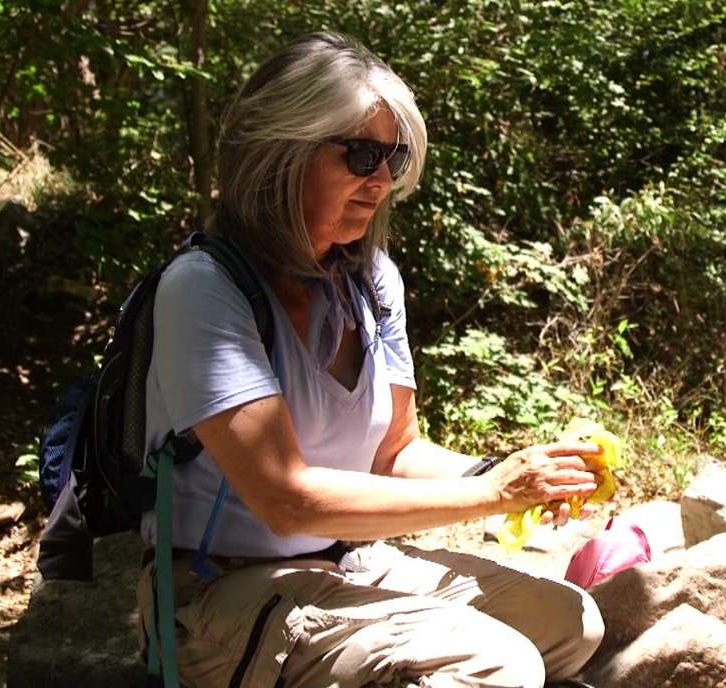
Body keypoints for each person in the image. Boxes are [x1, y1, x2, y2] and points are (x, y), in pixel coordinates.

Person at [136, 31, 605, 688]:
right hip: (219, 596)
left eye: (393, 156)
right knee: (502, 665)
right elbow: (286, 500)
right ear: (279, 155)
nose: (382, 181)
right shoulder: (202, 290)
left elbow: (395, 452)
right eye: (361, 155)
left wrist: (515, 474)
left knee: (570, 622)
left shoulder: (372, 282)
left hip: (346, 564)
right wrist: (492, 494)